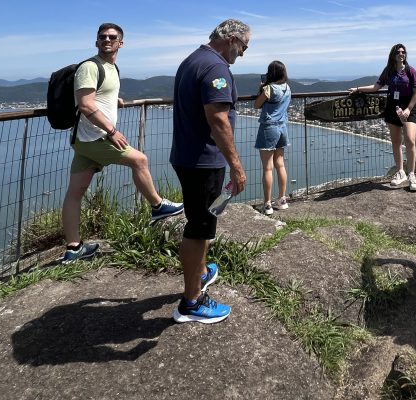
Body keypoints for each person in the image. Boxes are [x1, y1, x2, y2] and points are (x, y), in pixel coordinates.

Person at [61, 23, 184, 264]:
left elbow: (97, 96)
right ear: (96, 42)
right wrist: (111, 131)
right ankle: (158, 206)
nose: (107, 40)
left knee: (74, 194)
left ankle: (73, 248)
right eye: (102, 37)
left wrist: (112, 99)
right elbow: (85, 105)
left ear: (121, 42)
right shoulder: (89, 67)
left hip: (86, 141)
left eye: (112, 37)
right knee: (140, 160)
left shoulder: (111, 67)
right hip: (96, 137)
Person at [170, 18, 251, 324]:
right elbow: (218, 121)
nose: (243, 53)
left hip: (186, 156)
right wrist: (237, 166)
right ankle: (191, 302)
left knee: (201, 222)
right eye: (244, 46)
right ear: (231, 39)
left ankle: (202, 272)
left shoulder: (192, 59)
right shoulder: (216, 68)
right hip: (203, 161)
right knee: (199, 227)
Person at [348, 43, 416, 192]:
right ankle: (400, 172)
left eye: (403, 52)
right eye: (398, 52)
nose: (401, 54)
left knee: (410, 140)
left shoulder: (411, 71)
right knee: (396, 142)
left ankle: (412, 175)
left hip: (408, 109)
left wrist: (408, 109)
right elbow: (376, 87)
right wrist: (357, 89)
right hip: (392, 108)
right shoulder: (388, 71)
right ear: (393, 55)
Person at [255, 60, 292, 215]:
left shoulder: (269, 88)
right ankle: (282, 199)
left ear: (271, 73)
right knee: (280, 165)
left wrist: (261, 88)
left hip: (269, 128)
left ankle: (267, 204)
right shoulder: (287, 87)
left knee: (267, 167)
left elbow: (257, 104)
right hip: (282, 127)